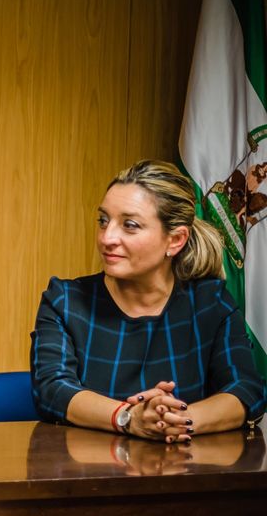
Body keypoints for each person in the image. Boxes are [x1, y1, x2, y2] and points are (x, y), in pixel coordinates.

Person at [31, 159, 265, 442]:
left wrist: (176, 420)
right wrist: (128, 418)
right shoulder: (66, 301)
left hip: (187, 476)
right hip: (87, 478)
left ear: (175, 240)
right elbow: (52, 390)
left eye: (129, 225)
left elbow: (245, 389)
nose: (108, 237)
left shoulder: (210, 303)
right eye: (103, 220)